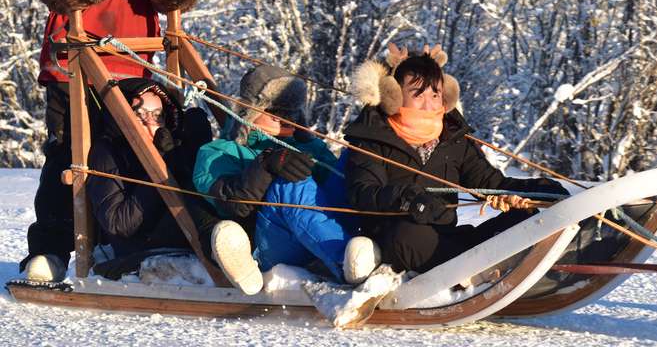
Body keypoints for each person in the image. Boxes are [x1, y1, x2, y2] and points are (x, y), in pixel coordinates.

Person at [22, 0, 198, 282]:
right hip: (75, 56)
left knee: (132, 153)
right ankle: (50, 252)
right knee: (69, 154)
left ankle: (124, 244)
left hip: (135, 61)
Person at [343, 45, 570, 282]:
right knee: (408, 234)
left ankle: (489, 268)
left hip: (446, 239)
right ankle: (477, 274)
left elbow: (491, 184)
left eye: (435, 95)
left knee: (524, 218)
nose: (429, 105)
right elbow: (363, 190)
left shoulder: (452, 138)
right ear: (394, 96)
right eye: (417, 95)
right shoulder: (372, 137)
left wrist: (538, 190)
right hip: (396, 240)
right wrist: (408, 197)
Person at [192, 65, 380, 295]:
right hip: (270, 244)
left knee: (355, 158)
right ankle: (346, 262)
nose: (286, 120)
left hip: (320, 230)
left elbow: (337, 186)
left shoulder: (313, 148)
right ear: (250, 112)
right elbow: (234, 202)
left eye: (291, 112)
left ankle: (391, 239)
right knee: (290, 181)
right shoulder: (218, 153)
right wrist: (266, 165)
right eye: (276, 112)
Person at [86, 78, 212, 265]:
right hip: (142, 247)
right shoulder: (107, 151)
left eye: (158, 114)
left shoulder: (172, 145)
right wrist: (159, 168)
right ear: (121, 116)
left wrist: (199, 150)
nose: (151, 122)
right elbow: (118, 226)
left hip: (184, 234)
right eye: (139, 114)